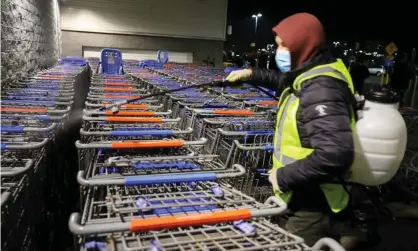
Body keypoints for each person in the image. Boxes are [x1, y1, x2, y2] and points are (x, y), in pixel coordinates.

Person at [226, 13, 363, 249]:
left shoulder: (321, 88)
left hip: (313, 203)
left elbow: (335, 154)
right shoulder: (310, 74)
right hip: (302, 194)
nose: (278, 51)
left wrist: (282, 176)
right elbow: (284, 82)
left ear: (303, 45)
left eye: (283, 45)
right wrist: (251, 74)